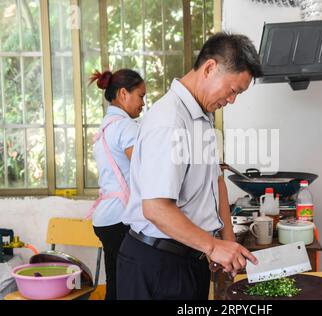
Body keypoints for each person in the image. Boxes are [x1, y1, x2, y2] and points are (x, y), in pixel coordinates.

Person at [117, 33, 263, 300]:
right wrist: (212, 246)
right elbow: (156, 208)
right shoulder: (170, 120)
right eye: (233, 90)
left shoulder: (202, 117)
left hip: (190, 257)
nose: (232, 101)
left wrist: (225, 241)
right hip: (157, 264)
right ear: (209, 68)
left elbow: (216, 179)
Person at [87, 69, 146, 300]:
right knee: (130, 286)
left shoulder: (106, 127)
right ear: (123, 93)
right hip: (121, 218)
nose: (143, 103)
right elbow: (146, 171)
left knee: (117, 282)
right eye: (141, 96)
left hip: (106, 218)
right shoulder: (126, 127)